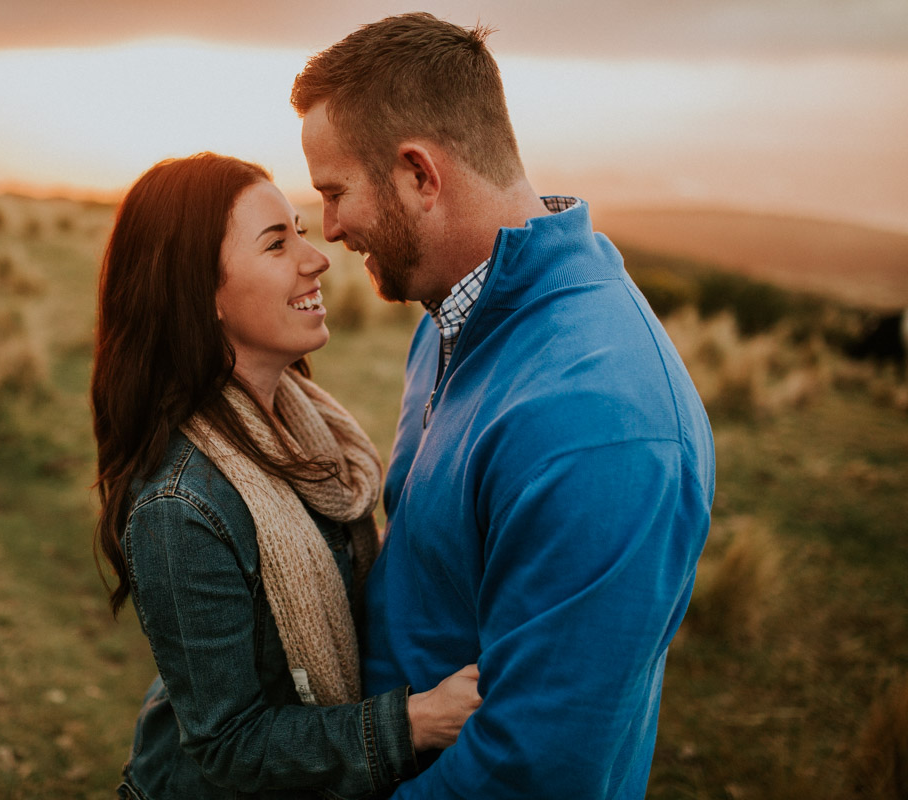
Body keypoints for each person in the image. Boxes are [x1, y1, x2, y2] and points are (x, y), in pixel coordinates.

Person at [291, 13, 715, 799]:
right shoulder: (454, 318)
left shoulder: (602, 427)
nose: (331, 228)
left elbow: (536, 772)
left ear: (420, 174)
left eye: (336, 192)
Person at [91, 152, 481, 800]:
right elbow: (229, 745)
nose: (317, 257)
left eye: (300, 229)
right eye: (277, 243)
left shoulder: (307, 425)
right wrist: (415, 722)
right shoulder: (179, 507)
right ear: (201, 293)